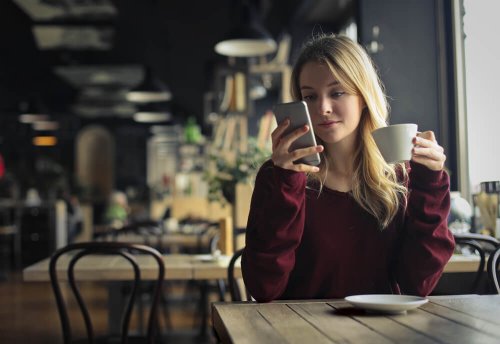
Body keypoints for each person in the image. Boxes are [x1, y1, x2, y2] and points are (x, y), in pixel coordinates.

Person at [241, 34, 455, 302]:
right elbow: (264, 287)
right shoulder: (280, 177)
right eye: (310, 96)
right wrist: (286, 181)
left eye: (337, 92)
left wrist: (431, 181)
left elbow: (417, 284)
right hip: (300, 331)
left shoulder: (401, 177)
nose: (323, 108)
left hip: (384, 331)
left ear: (363, 96)